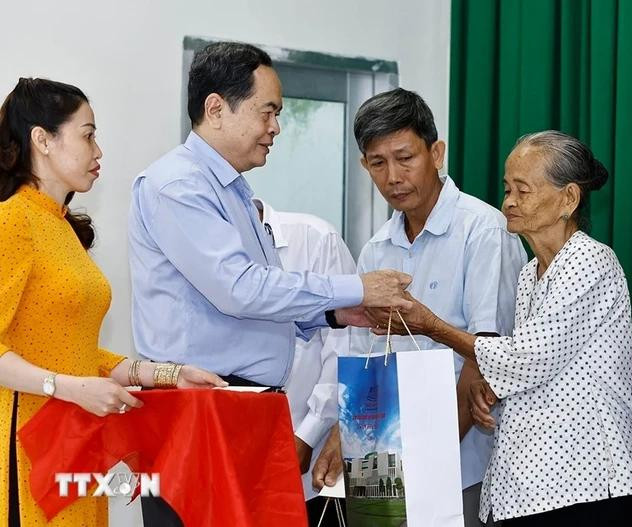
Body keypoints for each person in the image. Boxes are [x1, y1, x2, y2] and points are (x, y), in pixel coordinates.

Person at [127, 42, 410, 525]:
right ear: (216, 109)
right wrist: (356, 289)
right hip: (205, 412)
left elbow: (257, 298)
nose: (276, 128)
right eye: (268, 112)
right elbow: (241, 289)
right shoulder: (178, 185)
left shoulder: (233, 190)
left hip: (245, 410)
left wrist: (333, 314)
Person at [370, 131, 632, 526]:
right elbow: (535, 365)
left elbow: (526, 359)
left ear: (568, 199)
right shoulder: (531, 272)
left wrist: (430, 325)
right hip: (533, 486)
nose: (509, 202)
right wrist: (491, 387)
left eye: (523, 190)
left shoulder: (589, 260)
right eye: (507, 189)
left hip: (586, 483)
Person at [0, 78, 225, 527]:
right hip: (30, 442)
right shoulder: (11, 222)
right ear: (42, 140)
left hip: (77, 439)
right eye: (87, 135)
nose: (98, 151)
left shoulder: (64, 228)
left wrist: (167, 375)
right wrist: (69, 388)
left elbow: (78, 351)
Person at [346, 87, 527, 526]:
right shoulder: (374, 251)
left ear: (437, 152)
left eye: (405, 158)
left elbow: (487, 358)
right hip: (386, 470)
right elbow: (363, 364)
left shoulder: (484, 231)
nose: (393, 176)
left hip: (463, 467)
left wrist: (430, 460)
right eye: (377, 163)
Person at [252, 197, 354, 526]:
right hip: (236, 461)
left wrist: (306, 435)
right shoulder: (207, 258)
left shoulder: (314, 239)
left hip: (312, 461)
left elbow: (345, 345)